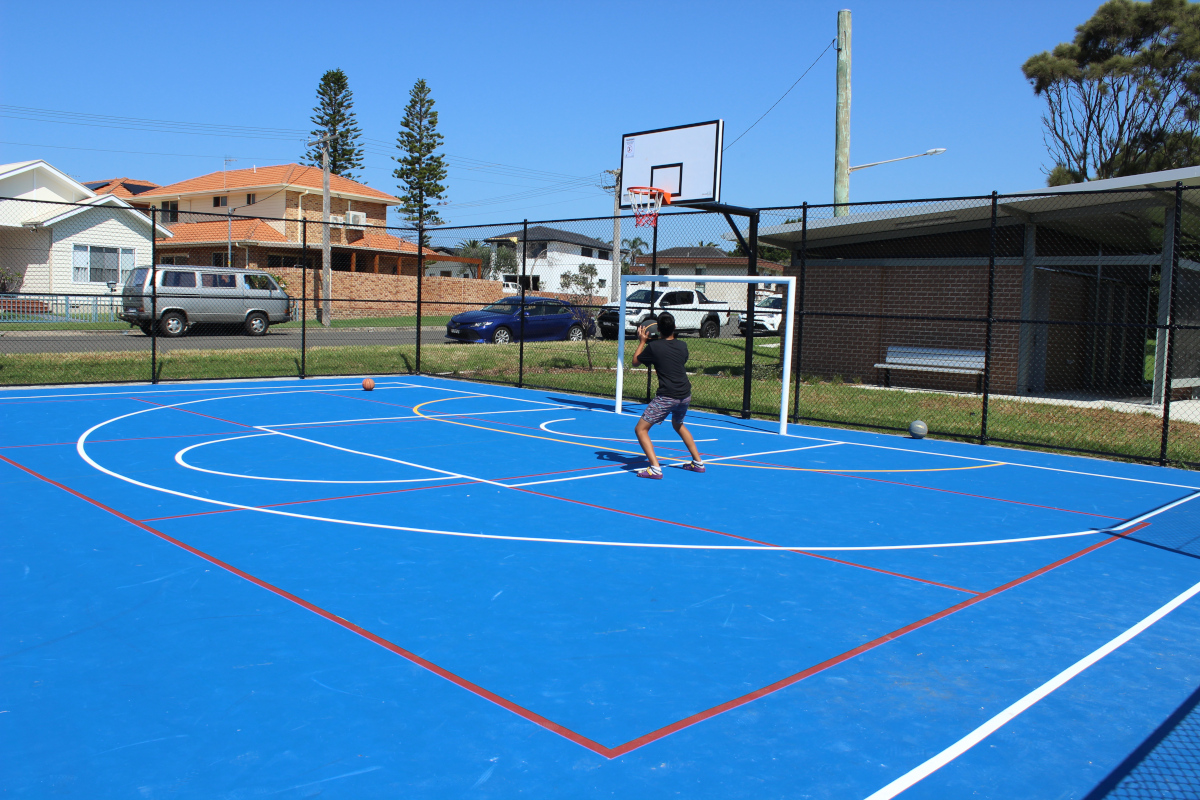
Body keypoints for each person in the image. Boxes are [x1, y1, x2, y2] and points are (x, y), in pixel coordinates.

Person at [631, 311, 705, 479]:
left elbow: (635, 362)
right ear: (675, 327)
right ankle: (698, 463)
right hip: (685, 394)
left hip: (667, 396)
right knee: (678, 424)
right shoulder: (683, 346)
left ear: (658, 329)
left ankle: (655, 468)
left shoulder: (654, 347)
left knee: (640, 429)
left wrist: (642, 341)